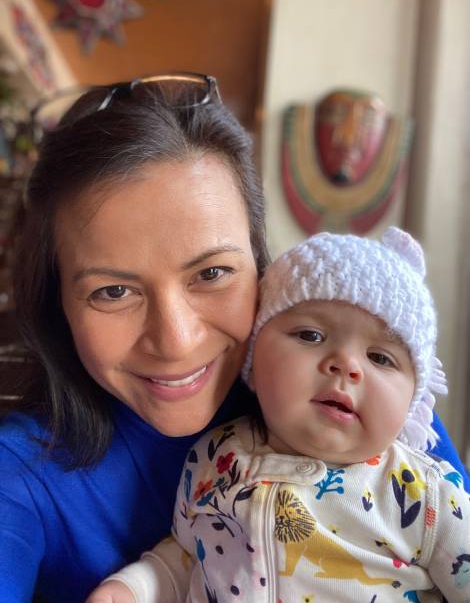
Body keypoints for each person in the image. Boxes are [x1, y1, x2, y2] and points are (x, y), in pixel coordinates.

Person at [0, 73, 466, 603]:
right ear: (57, 301)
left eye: (212, 273)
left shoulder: (368, 412)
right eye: (113, 291)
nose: (175, 341)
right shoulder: (19, 475)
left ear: (261, 267)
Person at [87, 228, 469, 603]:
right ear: (252, 361)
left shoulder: (427, 495)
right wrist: (135, 588)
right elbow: (187, 555)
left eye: (380, 358)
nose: (347, 366)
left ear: (413, 400)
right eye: (311, 336)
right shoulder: (214, 457)